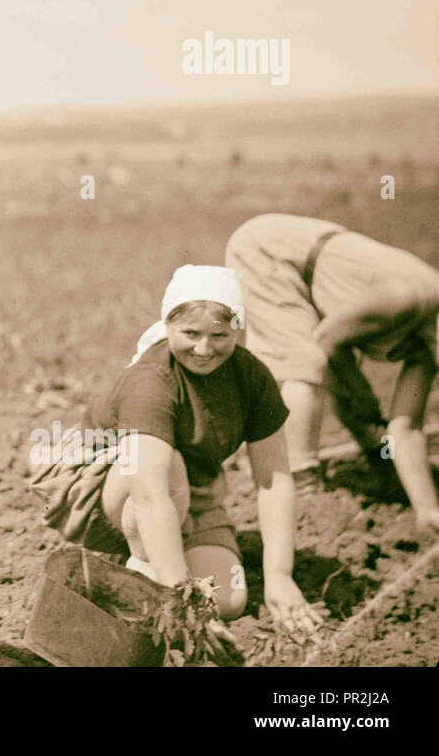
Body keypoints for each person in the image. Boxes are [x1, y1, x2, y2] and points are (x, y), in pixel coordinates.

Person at [30, 265, 322, 633]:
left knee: (228, 603)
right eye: (190, 333)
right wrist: (182, 601)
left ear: (238, 330)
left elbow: (273, 480)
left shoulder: (251, 377)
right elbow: (150, 495)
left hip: (192, 492)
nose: (204, 349)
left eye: (219, 335)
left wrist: (279, 577)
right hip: (104, 490)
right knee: (170, 469)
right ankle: (137, 564)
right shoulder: (151, 382)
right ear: (168, 327)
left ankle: (145, 573)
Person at [225, 213, 439, 536]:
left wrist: (427, 510)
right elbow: (328, 339)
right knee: (308, 360)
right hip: (269, 251)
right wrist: (360, 399)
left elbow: (405, 428)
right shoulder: (408, 297)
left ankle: (369, 456)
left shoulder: (428, 348)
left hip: (309, 267)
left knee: (326, 366)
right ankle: (301, 481)